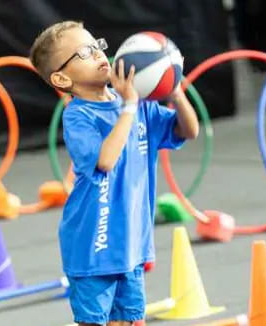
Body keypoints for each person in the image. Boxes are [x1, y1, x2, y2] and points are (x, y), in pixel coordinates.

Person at [30, 21, 199, 326]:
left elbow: (189, 130)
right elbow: (105, 160)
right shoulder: (78, 115)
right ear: (61, 77)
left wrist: (174, 90)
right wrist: (130, 105)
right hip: (92, 247)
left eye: (97, 46)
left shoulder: (137, 107)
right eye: (84, 52)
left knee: (129, 321)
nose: (97, 55)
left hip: (131, 245)